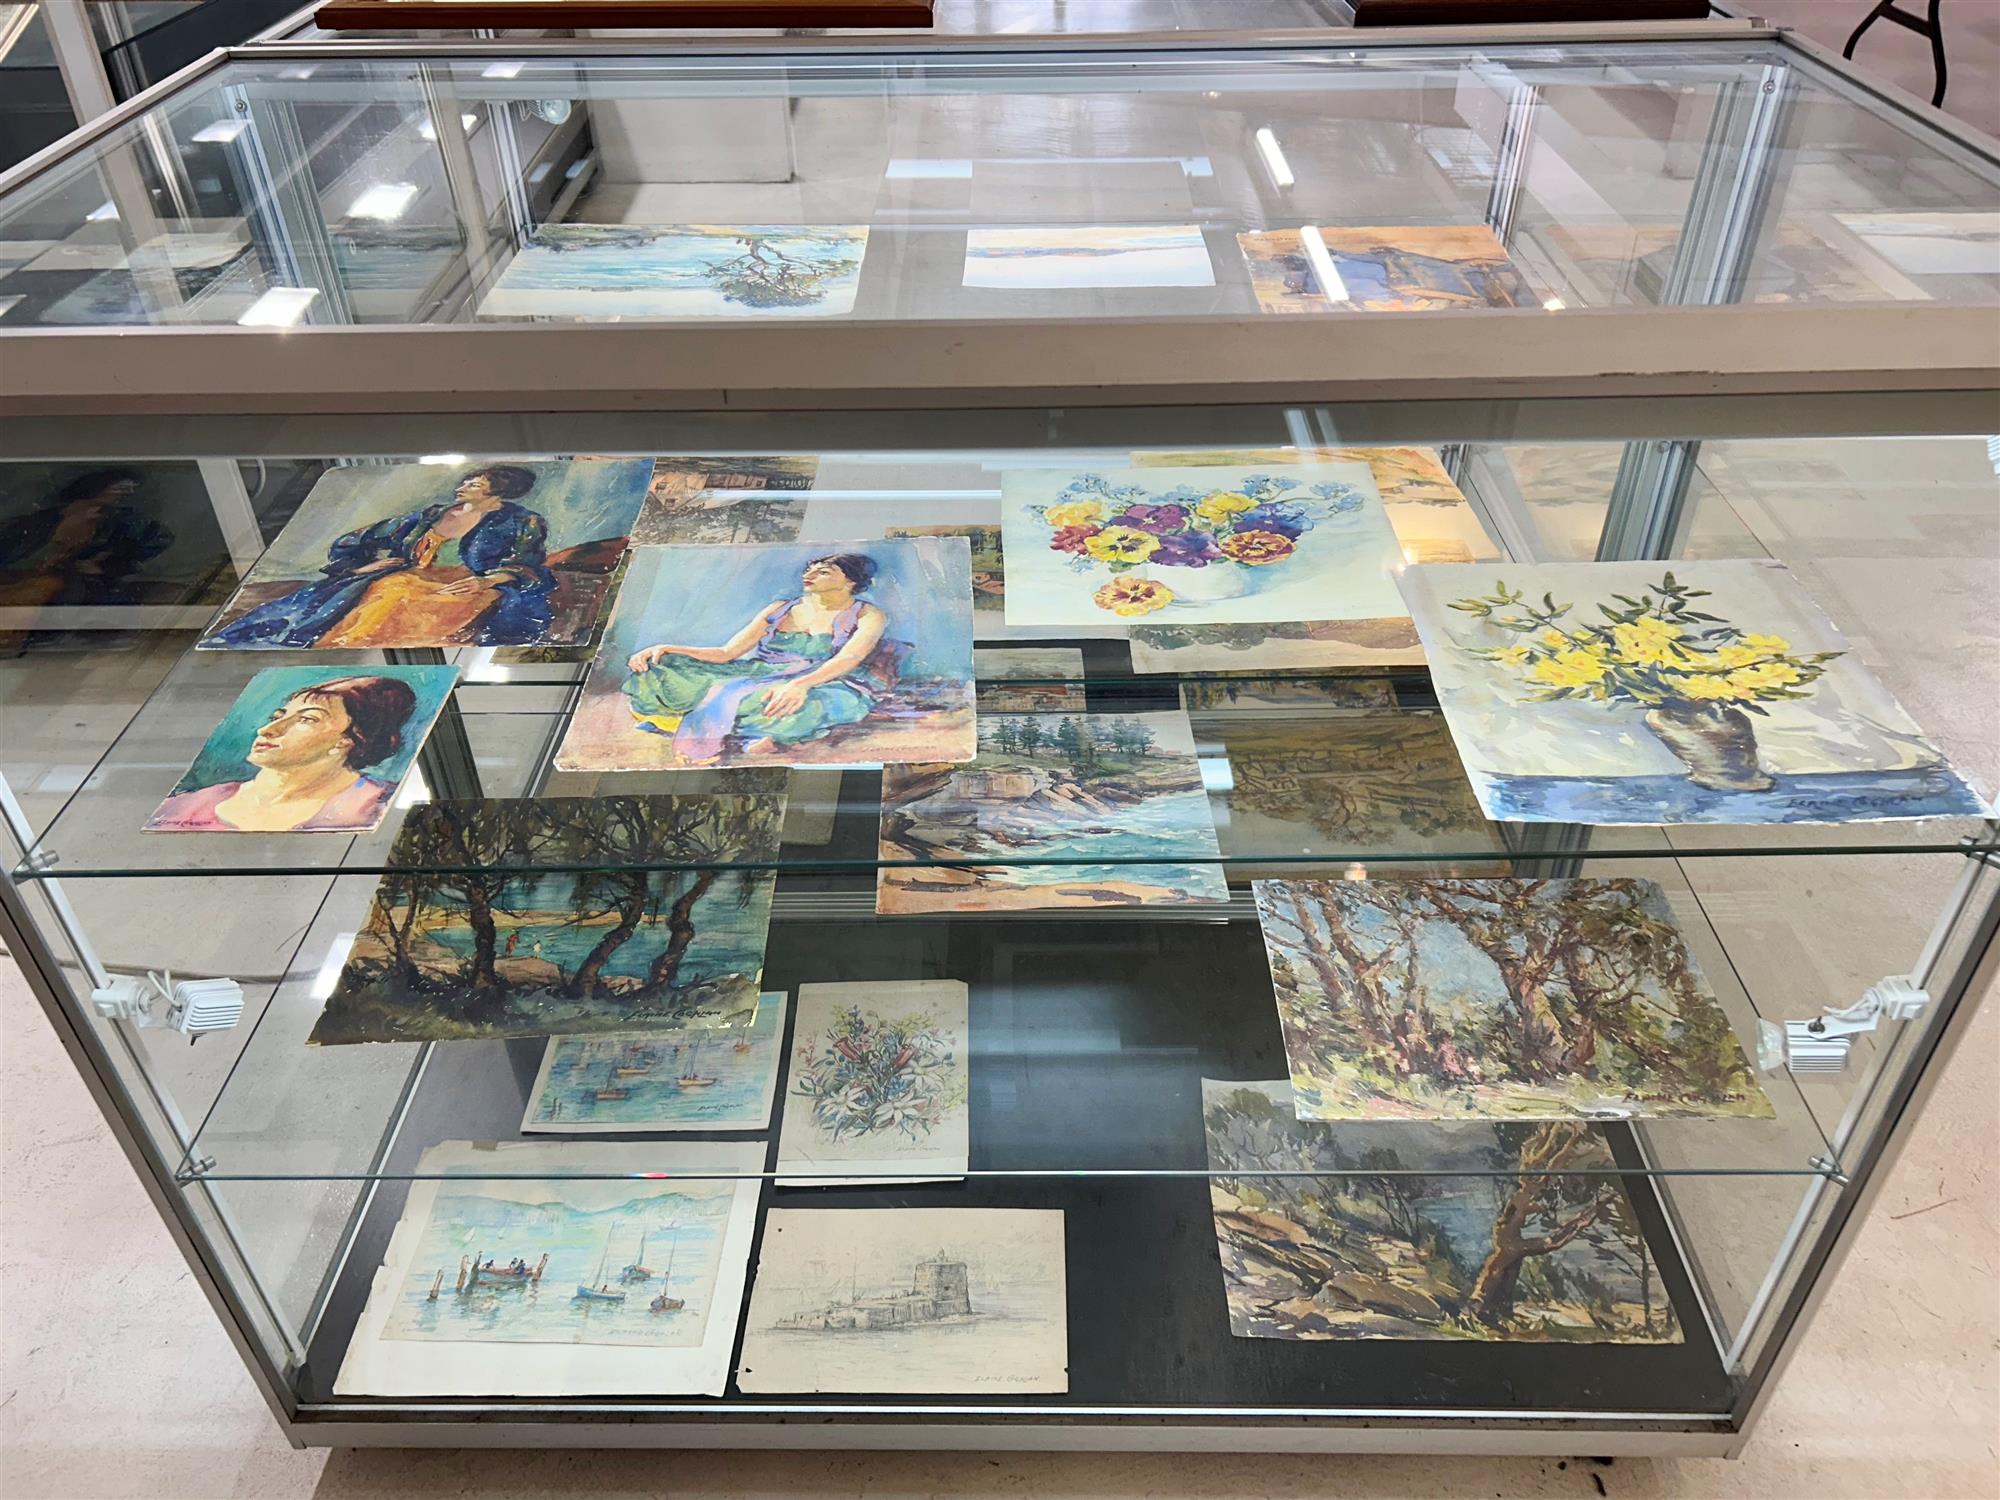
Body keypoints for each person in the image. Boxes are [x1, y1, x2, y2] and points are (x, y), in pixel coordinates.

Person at [206, 465, 556, 648]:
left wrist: (486, 581)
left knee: (406, 601)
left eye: (474, 484)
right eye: (466, 482)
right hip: (405, 579)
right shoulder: (430, 515)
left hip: (475, 585)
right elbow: (357, 539)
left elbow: (528, 564)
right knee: (387, 592)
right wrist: (362, 566)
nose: (462, 487)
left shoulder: (522, 521)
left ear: (498, 492)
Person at [623, 553, 897, 763]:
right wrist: (667, 648)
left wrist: (799, 685)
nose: (810, 574)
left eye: (823, 571)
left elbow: (849, 658)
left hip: (823, 679)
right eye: (810, 569)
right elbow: (727, 653)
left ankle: (716, 726)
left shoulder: (868, 614)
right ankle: (747, 732)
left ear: (850, 581)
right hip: (759, 672)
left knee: (803, 706)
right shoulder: (780, 608)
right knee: (664, 667)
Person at [147, 675, 420, 832]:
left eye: (307, 719)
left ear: (350, 740)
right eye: (278, 716)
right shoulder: (185, 807)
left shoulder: (380, 806)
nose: (268, 730)